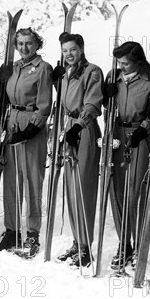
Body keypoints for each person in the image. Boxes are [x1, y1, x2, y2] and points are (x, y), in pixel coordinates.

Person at [103, 41, 150, 269]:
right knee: (117, 193)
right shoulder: (113, 77)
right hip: (116, 134)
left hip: (138, 136)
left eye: (125, 63)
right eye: (119, 62)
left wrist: (144, 127)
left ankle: (138, 244)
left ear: (138, 61)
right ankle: (124, 243)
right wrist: (106, 97)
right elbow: (107, 109)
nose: (121, 66)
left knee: (134, 192)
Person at [0, 28, 52, 257]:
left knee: (32, 181)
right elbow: (4, 95)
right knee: (11, 180)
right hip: (11, 123)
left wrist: (30, 129)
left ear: (37, 44)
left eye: (29, 43)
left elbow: (45, 104)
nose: (24, 48)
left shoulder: (43, 69)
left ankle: (33, 233)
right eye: (20, 43)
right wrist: (1, 78)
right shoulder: (15, 67)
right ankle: (11, 230)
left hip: (30, 126)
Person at [54, 33, 103, 268]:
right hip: (69, 128)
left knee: (84, 187)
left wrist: (79, 125)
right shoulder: (64, 74)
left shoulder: (92, 71)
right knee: (71, 188)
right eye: (65, 51)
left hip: (84, 130)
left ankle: (86, 246)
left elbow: (93, 104)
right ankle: (77, 240)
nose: (69, 54)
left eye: (73, 50)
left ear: (81, 49)